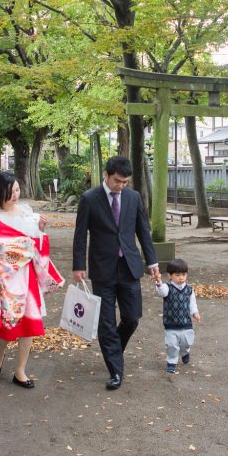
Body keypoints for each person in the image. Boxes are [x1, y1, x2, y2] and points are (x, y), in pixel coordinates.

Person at [73, 156, 160, 390]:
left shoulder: (133, 198)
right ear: (106, 174)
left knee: (132, 318)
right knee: (106, 322)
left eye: (125, 182)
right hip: (103, 270)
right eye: (118, 181)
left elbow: (143, 231)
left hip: (129, 266)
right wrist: (78, 265)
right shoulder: (89, 199)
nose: (121, 186)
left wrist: (152, 262)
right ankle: (116, 371)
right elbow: (80, 235)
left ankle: (114, 351)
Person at [0, 171, 64, 389]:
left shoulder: (27, 213)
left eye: (17, 190)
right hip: (5, 277)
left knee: (30, 320)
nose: (15, 195)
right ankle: (0, 354)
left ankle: (20, 370)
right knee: (8, 320)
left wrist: (41, 230)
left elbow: (36, 244)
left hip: (26, 274)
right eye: (10, 191)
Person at [154, 258, 200, 373]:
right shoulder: (167, 288)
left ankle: (185, 352)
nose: (181, 277)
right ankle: (171, 361)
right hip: (171, 324)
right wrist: (159, 282)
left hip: (186, 323)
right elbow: (162, 292)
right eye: (177, 275)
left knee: (186, 342)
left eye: (184, 274)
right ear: (170, 275)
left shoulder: (189, 290)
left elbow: (192, 303)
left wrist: (195, 313)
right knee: (171, 345)